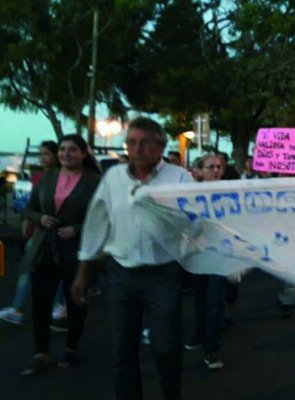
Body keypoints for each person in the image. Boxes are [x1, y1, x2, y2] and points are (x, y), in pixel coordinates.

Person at [71, 117, 193, 400]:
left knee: (165, 348)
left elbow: (197, 223)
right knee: (122, 351)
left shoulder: (179, 178)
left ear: (160, 146)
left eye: (144, 142)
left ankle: (171, 394)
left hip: (163, 275)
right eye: (131, 142)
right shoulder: (113, 178)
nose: (136, 149)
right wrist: (82, 273)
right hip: (121, 276)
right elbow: (97, 223)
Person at [19, 135, 101, 376]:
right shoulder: (47, 178)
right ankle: (41, 351)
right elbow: (30, 208)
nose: (67, 154)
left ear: (83, 154)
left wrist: (76, 229)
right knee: (41, 302)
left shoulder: (94, 181)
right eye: (63, 149)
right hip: (45, 248)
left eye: (73, 150)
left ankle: (72, 347)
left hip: (77, 251)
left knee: (75, 300)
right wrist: (40, 218)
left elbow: (102, 218)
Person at [0, 141, 63, 326]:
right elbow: (30, 204)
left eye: (46, 154)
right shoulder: (38, 177)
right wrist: (28, 220)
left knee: (53, 270)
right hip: (40, 231)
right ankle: (24, 308)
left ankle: (52, 305)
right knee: (35, 269)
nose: (42, 158)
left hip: (54, 231)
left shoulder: (62, 177)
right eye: (41, 154)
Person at [184, 153, 228, 370]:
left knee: (215, 302)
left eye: (219, 166)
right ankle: (200, 333)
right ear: (198, 171)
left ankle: (211, 349)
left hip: (221, 255)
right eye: (211, 167)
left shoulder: (231, 193)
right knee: (200, 299)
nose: (216, 170)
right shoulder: (189, 194)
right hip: (199, 253)